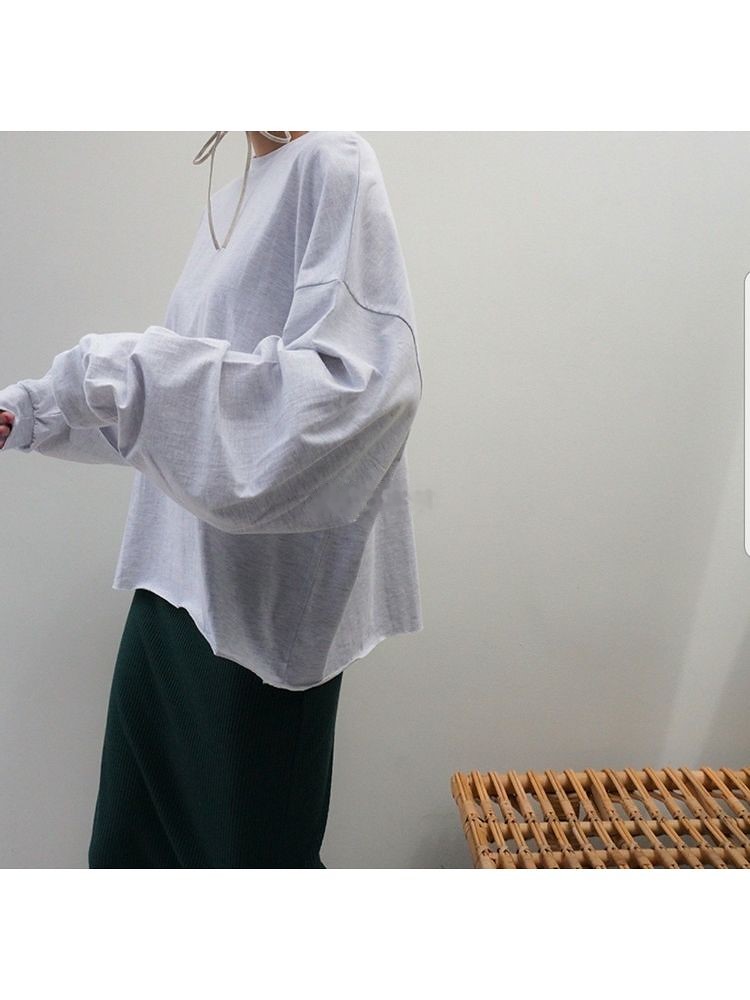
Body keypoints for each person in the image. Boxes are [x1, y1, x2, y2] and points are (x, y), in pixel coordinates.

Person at [0, 130, 424, 868]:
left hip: (254, 619)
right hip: (169, 585)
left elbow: (353, 395)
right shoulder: (232, 198)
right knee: (132, 853)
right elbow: (178, 424)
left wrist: (115, 372)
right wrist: (37, 411)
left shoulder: (331, 162)